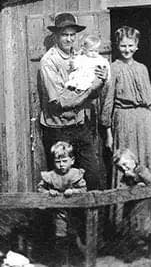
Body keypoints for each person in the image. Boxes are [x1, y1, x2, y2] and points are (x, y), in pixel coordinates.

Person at [100, 26, 151, 233]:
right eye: (123, 45)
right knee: (124, 169)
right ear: (117, 46)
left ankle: (148, 224)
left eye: (130, 45)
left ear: (137, 46)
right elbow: (108, 101)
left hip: (144, 121)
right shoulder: (113, 67)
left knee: (146, 166)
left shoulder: (142, 68)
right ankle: (122, 226)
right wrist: (108, 131)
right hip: (123, 120)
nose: (126, 49)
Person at [39, 13, 106, 190]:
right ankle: (64, 218)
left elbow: (93, 93)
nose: (69, 39)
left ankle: (92, 218)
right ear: (56, 36)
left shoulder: (81, 56)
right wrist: (91, 88)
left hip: (80, 124)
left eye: (72, 35)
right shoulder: (49, 61)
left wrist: (101, 81)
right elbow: (59, 102)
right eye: (64, 35)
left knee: (92, 175)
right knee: (61, 181)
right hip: (58, 128)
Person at [37, 141, 87, 263]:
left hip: (75, 212)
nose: (61, 165)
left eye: (65, 161)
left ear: (72, 160)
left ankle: (77, 261)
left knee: (74, 235)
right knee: (60, 237)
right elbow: (40, 188)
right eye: (58, 162)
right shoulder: (51, 175)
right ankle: (61, 262)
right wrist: (48, 192)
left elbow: (84, 190)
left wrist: (73, 191)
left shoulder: (76, 174)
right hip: (59, 213)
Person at [113, 148, 151, 259]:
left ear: (133, 160)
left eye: (125, 164)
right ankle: (133, 251)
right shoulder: (125, 176)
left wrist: (135, 177)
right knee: (131, 228)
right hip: (132, 206)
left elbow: (150, 181)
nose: (124, 169)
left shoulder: (141, 169)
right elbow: (122, 187)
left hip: (146, 205)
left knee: (146, 229)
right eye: (120, 168)